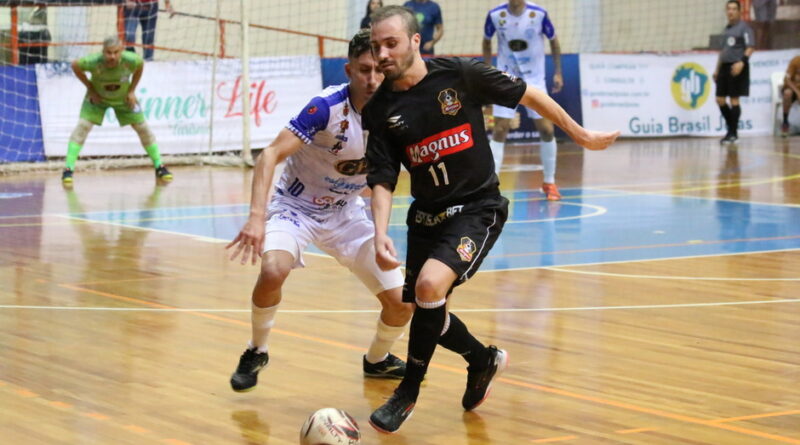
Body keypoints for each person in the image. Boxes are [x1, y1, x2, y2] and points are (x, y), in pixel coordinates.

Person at [364, 5, 619, 433]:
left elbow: (530, 94)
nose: (383, 54)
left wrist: (579, 133)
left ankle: (408, 391)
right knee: (429, 309)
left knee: (428, 287)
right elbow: (383, 179)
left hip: (477, 208)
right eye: (376, 47)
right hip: (425, 218)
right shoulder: (380, 110)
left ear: (415, 41)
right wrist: (379, 233)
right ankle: (482, 360)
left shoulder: (461, 75)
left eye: (391, 43)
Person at [226, 29, 413, 393]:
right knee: (273, 269)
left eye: (378, 70)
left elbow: (381, 183)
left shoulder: (396, 112)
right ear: (348, 69)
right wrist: (255, 217)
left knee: (401, 304)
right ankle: (257, 349)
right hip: (296, 208)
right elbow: (269, 155)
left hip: (346, 214)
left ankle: (376, 361)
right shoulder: (325, 108)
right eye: (363, 70)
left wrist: (380, 232)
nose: (372, 79)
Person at [63, 36, 172, 185]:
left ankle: (160, 166)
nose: (112, 56)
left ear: (121, 51)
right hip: (98, 98)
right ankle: (68, 169)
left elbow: (140, 66)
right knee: (83, 126)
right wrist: (90, 88)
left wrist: (132, 90)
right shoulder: (93, 61)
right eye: (108, 53)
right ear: (103, 52)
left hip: (123, 98)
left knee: (143, 128)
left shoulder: (131, 60)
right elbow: (75, 65)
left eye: (115, 52)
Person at [483, 0, 563, 200]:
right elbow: (486, 40)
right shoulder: (495, 15)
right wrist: (486, 69)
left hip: (534, 80)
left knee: (546, 129)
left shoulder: (539, 14)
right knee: (500, 129)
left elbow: (554, 40)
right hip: (506, 78)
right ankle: (490, 186)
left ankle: (550, 182)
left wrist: (558, 72)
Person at [714, 0, 754, 145]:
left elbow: (750, 47)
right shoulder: (726, 29)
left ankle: (732, 133)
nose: (730, 12)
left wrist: (742, 62)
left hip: (737, 67)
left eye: (733, 9)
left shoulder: (744, 28)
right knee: (720, 99)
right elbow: (723, 51)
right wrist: (717, 69)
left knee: (734, 99)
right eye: (728, 9)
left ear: (739, 11)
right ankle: (732, 129)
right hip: (724, 67)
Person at [781, 55, 800, 137]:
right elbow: (788, 79)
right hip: (792, 88)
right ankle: (785, 121)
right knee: (787, 93)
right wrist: (798, 92)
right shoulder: (796, 61)